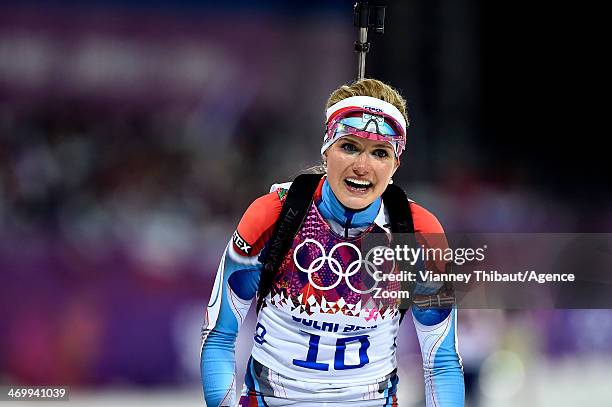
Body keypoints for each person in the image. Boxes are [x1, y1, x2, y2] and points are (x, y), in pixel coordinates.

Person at [201, 79, 464, 406]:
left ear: (396, 164)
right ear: (327, 149)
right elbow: (220, 337)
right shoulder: (274, 215)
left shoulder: (418, 232)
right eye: (349, 146)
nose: (362, 166)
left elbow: (440, 362)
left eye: (380, 152)